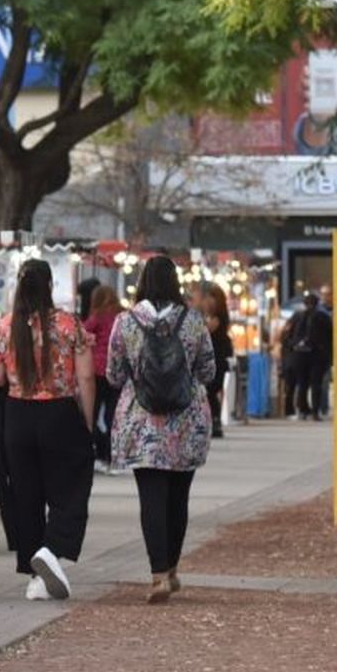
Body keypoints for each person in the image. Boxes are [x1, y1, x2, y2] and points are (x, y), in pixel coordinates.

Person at [106, 256, 216, 603]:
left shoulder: (125, 322)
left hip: (142, 425)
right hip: (186, 422)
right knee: (178, 499)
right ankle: (171, 568)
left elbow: (113, 374)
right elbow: (208, 370)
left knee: (151, 499)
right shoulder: (193, 320)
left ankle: (157, 576)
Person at [0, 258, 96, 602]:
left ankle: (35, 575)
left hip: (18, 416)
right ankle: (52, 547)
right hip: (59, 413)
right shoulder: (68, 325)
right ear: (50, 286)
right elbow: (86, 376)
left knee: (26, 496)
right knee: (71, 487)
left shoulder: (6, 326)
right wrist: (88, 421)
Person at [84, 284, 123, 466]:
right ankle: (111, 453)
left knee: (91, 413)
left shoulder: (97, 317)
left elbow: (83, 334)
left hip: (98, 371)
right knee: (112, 415)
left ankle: (98, 449)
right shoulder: (122, 316)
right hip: (118, 371)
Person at [202, 284, 234, 439]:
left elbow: (206, 333)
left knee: (210, 390)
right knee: (210, 391)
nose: (206, 302)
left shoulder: (217, 318)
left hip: (217, 357)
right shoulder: (212, 316)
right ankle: (214, 422)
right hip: (215, 356)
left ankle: (215, 422)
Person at [308, 287, 334, 420]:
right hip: (321, 354)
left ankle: (319, 409)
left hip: (331, 352)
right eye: (323, 294)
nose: (326, 297)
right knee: (321, 382)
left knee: (320, 382)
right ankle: (320, 409)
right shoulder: (319, 314)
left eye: (328, 294)